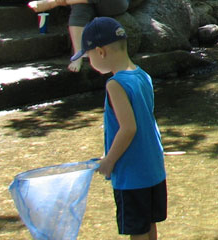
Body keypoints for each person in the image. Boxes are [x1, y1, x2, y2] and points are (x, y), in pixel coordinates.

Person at [72, 17, 167, 240]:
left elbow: (128, 129)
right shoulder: (142, 75)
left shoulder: (115, 84)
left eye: (88, 57)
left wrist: (109, 161)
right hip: (153, 168)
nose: (90, 63)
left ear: (101, 52)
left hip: (131, 174)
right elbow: (144, 122)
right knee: (149, 224)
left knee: (136, 230)